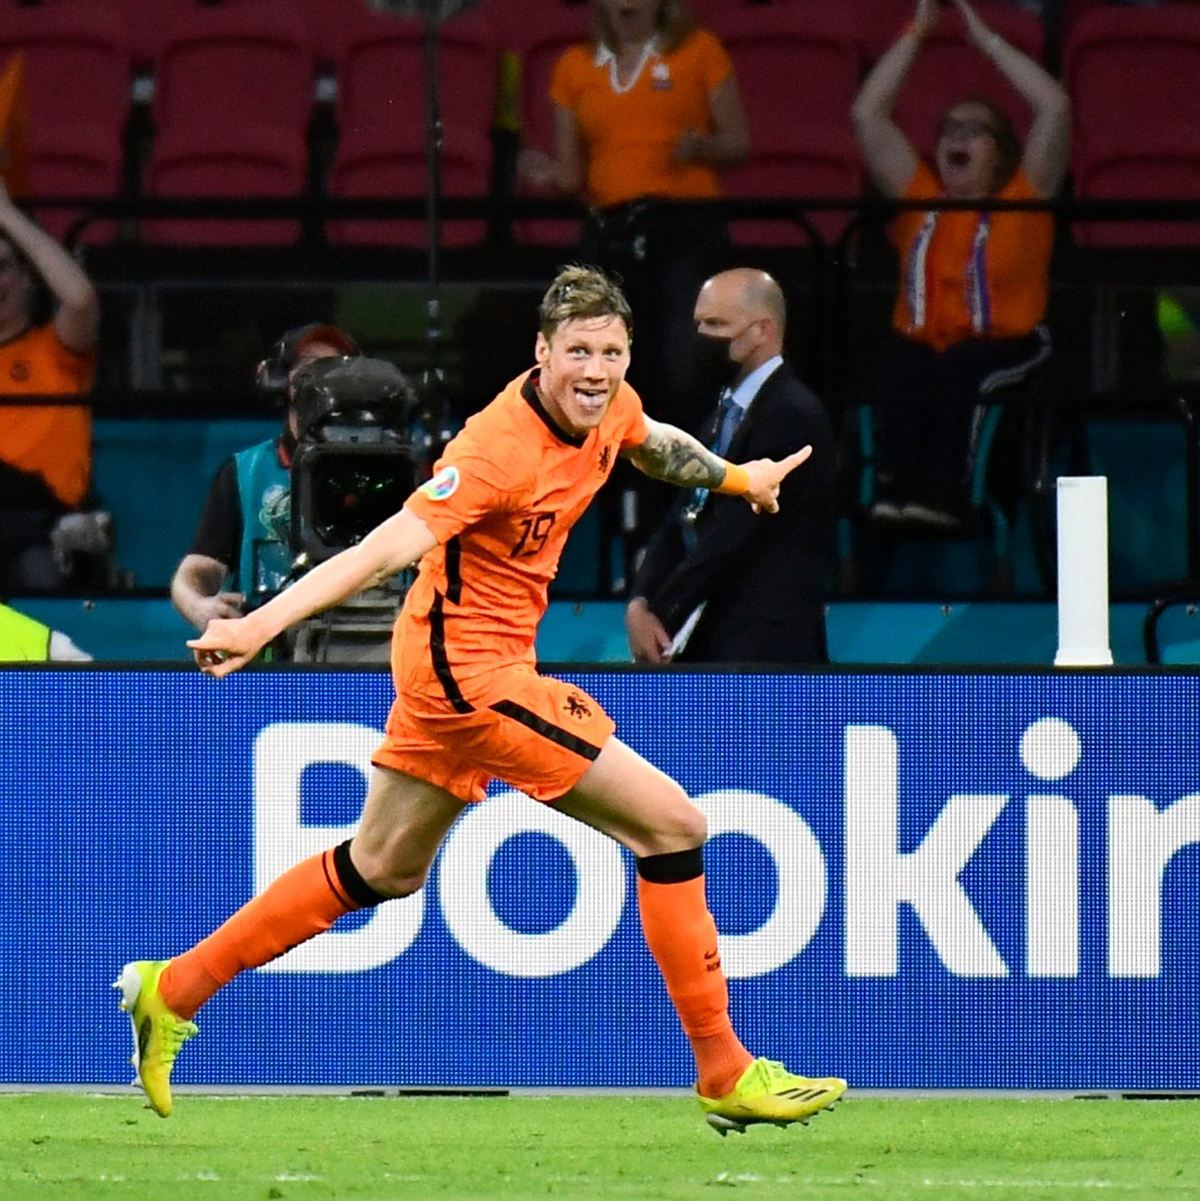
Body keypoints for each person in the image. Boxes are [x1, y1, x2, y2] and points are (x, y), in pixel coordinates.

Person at [113, 265, 846, 1133]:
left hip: (451, 664)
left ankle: (174, 986)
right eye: (578, 351)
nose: (597, 369)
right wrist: (257, 623)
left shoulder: (610, 401)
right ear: (541, 354)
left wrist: (735, 478)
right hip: (471, 674)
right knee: (675, 825)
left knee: (383, 866)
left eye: (612, 352)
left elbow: (651, 442)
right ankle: (725, 1070)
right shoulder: (494, 449)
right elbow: (384, 548)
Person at [518, 0, 750, 556]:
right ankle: (619, 527)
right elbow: (573, 172)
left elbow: (737, 142)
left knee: (678, 365)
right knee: (608, 373)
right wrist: (545, 175)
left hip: (684, 230)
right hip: (613, 233)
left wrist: (701, 147)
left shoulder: (700, 52)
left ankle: (688, 509)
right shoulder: (574, 68)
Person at [851, 0, 1070, 529]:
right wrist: (918, 32)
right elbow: (867, 114)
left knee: (958, 371)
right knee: (897, 364)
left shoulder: (1026, 195)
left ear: (1000, 152)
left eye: (974, 130)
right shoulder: (920, 194)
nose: (955, 137)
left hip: (1003, 344)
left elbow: (1056, 108)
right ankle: (895, 488)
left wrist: (986, 39)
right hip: (923, 343)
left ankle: (952, 496)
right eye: (948, 128)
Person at [626, 267, 836, 665]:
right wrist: (640, 602)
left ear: (762, 330)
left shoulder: (792, 414)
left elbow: (732, 532)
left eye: (717, 324)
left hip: (765, 652)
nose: (702, 336)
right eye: (699, 323)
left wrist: (664, 612)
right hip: (713, 637)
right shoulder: (724, 411)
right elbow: (682, 516)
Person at [169, 323, 361, 633]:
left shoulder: (388, 468)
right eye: (308, 367)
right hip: (269, 659)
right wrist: (199, 606)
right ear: (281, 382)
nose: (322, 379)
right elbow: (199, 569)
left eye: (335, 368)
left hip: (367, 650)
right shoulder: (245, 471)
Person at [0, 177, 101, 592]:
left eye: (3, 267)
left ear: (27, 278)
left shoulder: (54, 350)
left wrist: (5, 213)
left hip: (44, 528)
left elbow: (80, 300)